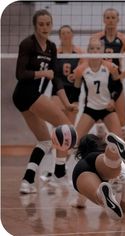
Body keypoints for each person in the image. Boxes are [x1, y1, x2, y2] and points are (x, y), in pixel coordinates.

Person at [12, 9, 78, 194]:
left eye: (48, 24)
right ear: (35, 25)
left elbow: (56, 78)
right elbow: (20, 74)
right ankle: (58, 174)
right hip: (26, 93)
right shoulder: (28, 44)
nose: (45, 27)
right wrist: (42, 73)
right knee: (65, 126)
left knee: (45, 141)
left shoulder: (51, 47)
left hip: (29, 97)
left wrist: (66, 104)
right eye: (41, 24)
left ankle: (27, 181)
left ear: (51, 25)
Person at [71, 37, 125, 213]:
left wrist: (113, 99)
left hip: (107, 109)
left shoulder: (110, 68)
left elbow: (118, 87)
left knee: (120, 145)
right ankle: (81, 192)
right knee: (75, 143)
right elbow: (75, 91)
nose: (94, 50)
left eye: (97, 48)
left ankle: (119, 183)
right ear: (88, 50)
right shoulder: (81, 70)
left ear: (102, 49)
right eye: (91, 48)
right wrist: (74, 103)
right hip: (90, 109)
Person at [40, 25, 83, 182]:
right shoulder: (54, 52)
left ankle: (62, 168)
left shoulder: (79, 53)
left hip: (73, 94)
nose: (66, 35)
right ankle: (53, 170)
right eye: (63, 33)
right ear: (59, 36)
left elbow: (84, 72)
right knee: (57, 133)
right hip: (57, 93)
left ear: (72, 35)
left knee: (69, 136)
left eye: (68, 33)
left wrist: (77, 75)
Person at [92, 8, 125, 143]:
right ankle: (102, 157)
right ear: (104, 20)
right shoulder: (96, 39)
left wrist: (120, 77)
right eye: (108, 17)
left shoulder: (124, 41)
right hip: (99, 82)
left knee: (123, 127)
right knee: (99, 126)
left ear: (118, 20)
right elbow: (90, 60)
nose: (110, 20)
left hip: (115, 83)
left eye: (113, 17)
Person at [72, 132, 125, 220]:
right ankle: (112, 149)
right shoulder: (99, 155)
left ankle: (101, 195)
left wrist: (79, 203)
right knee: (111, 163)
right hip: (100, 160)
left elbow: (82, 194)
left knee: (96, 193)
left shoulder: (83, 160)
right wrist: (124, 206)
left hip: (79, 171)